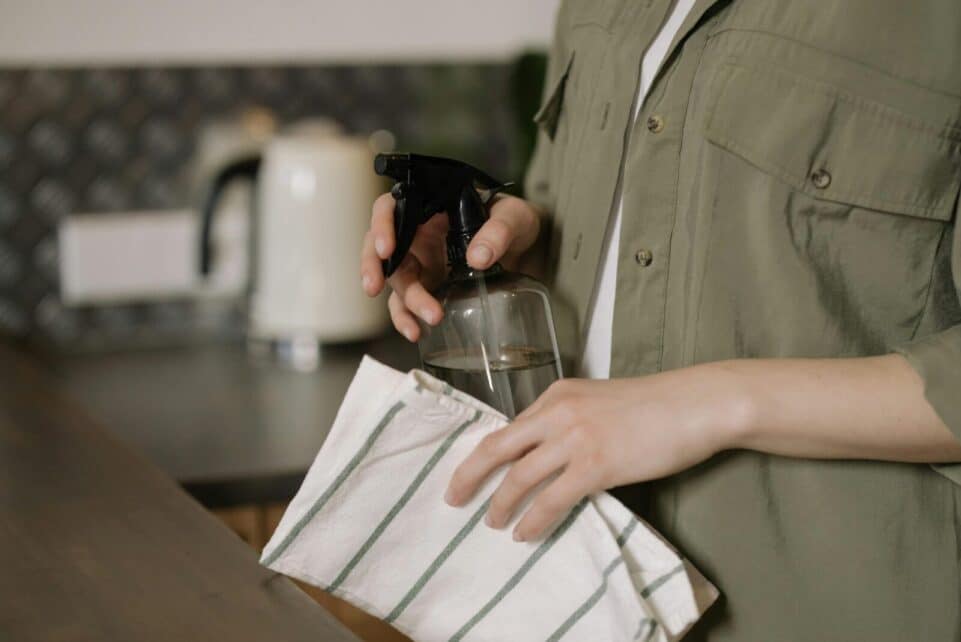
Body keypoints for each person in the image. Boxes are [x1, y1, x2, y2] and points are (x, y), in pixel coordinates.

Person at [360, 1, 961, 640]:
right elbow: (613, 234)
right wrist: (504, 236)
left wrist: (706, 404)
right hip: (570, 597)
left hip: (815, 611)